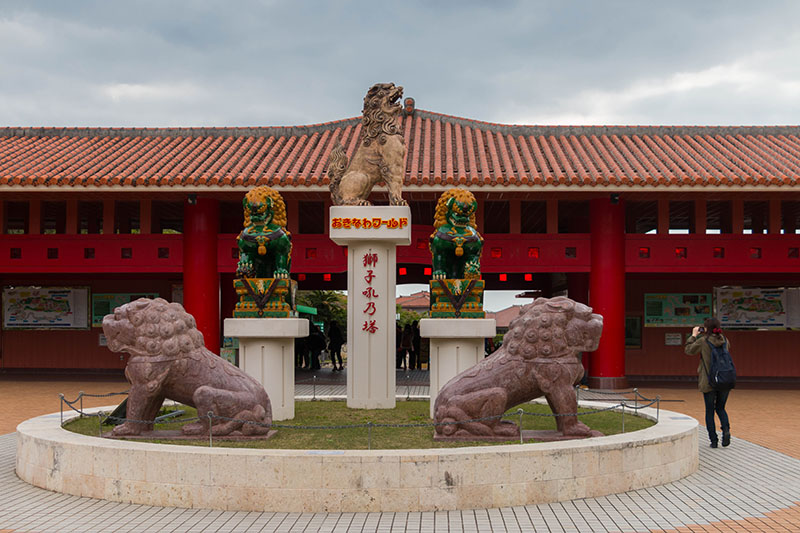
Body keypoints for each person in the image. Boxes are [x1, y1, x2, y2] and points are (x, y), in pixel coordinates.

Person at [685, 317, 732, 448]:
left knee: (710, 411)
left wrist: (693, 335)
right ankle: (726, 430)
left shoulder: (703, 341)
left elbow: (688, 350)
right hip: (724, 379)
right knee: (721, 408)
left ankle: (714, 440)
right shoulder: (724, 340)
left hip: (708, 381)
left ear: (706, 329)